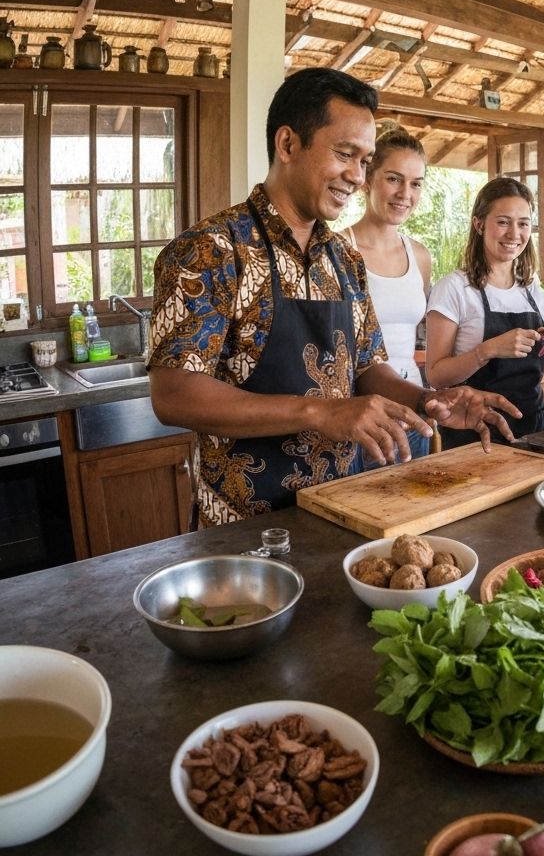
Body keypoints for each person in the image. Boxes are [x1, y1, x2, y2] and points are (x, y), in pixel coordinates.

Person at [148, 67, 519, 526]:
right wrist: (319, 411)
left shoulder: (344, 258)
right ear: (288, 145)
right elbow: (173, 396)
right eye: (345, 154)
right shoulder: (210, 250)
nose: (357, 176)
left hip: (343, 508)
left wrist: (427, 400)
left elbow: (367, 367)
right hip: (242, 527)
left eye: (364, 161)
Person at [425, 177, 544, 448]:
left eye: (523, 223)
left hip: (534, 424)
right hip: (476, 430)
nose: (514, 234)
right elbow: (436, 375)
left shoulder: (532, 289)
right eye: (503, 222)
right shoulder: (454, 289)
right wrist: (486, 350)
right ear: (479, 224)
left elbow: (530, 364)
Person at [343, 123, 432, 458]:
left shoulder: (420, 256)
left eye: (415, 184)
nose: (405, 194)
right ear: (367, 179)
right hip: (363, 421)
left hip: (413, 414)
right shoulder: (340, 250)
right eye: (394, 179)